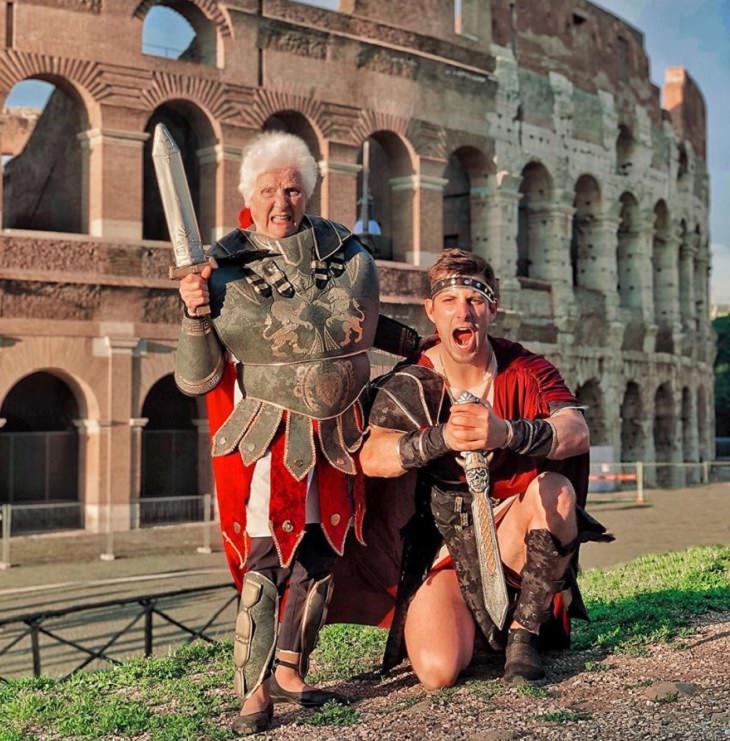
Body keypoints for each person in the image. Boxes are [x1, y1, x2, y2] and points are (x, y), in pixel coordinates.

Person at [174, 131, 381, 735]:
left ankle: (292, 668)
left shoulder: (345, 252)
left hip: (338, 425)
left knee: (321, 550)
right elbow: (199, 374)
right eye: (268, 190)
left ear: (308, 192)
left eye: (292, 188)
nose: (281, 201)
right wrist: (193, 312)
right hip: (269, 429)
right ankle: (252, 690)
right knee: (267, 554)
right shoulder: (221, 268)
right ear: (250, 195)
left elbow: (362, 329)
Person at [360, 248, 612, 689]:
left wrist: (506, 433)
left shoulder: (525, 368)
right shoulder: (412, 380)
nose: (465, 312)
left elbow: (576, 431)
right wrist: (441, 438)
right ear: (431, 312)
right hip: (446, 548)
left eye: (475, 300)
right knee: (438, 673)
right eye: (451, 300)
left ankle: (524, 636)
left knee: (554, 490)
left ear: (492, 308)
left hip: (511, 528)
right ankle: (470, 623)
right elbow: (373, 457)